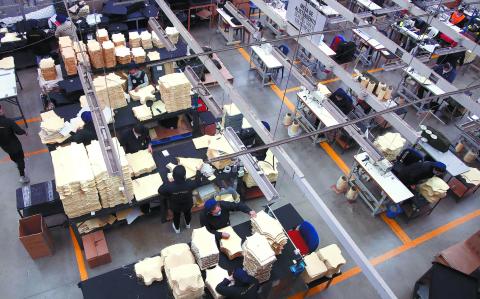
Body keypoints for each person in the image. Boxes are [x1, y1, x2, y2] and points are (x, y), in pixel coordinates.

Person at [158, 165, 204, 233]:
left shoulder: (169, 186)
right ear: (184, 176)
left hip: (175, 206)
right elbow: (198, 181)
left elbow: (160, 190)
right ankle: (188, 224)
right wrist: (198, 171)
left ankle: (177, 229)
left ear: (173, 176)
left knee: (176, 216)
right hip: (187, 204)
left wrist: (168, 183)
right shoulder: (189, 183)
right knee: (187, 214)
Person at [0, 105, 29, 183]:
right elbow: (18, 131)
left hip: (5, 147)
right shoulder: (8, 121)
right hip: (15, 145)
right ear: (1, 111)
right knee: (20, 159)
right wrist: (24, 132)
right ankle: (22, 176)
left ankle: (17, 163)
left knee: (13, 156)